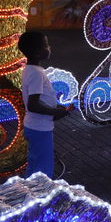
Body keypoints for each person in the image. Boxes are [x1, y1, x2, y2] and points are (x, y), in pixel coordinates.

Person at [18, 31, 70, 178]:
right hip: (40, 129)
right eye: (45, 45)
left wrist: (54, 110)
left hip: (35, 126)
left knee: (35, 165)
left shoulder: (31, 69)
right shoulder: (36, 73)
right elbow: (33, 105)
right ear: (36, 52)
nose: (49, 48)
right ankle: (39, 198)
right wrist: (55, 112)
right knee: (43, 171)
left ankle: (31, 194)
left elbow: (38, 101)